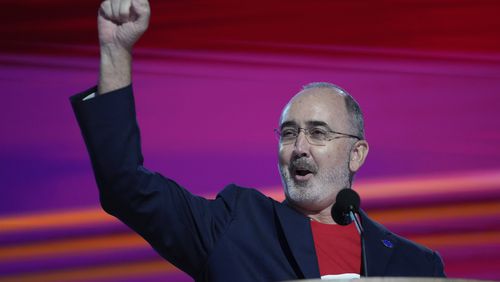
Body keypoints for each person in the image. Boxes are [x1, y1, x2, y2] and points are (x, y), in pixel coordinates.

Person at [70, 0, 446, 281]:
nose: (299, 147)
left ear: (357, 154)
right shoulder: (235, 225)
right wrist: (116, 52)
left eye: (318, 132)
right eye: (288, 133)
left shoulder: (415, 264)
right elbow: (125, 186)